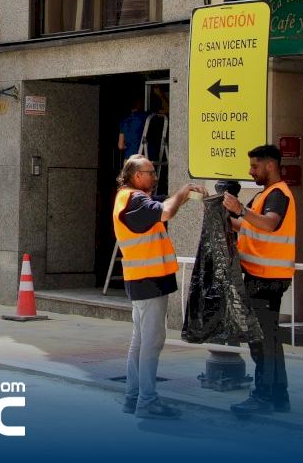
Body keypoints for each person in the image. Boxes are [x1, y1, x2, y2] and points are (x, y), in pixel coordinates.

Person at [113, 155, 205, 419]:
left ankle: (133, 397)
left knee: (141, 341)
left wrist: (184, 196)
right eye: (150, 172)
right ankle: (147, 401)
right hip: (148, 279)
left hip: (142, 279)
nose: (154, 176)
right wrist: (183, 192)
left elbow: (163, 205)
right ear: (136, 176)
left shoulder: (129, 198)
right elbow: (166, 211)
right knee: (151, 343)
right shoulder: (135, 200)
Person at [223, 144, 296, 415]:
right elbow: (247, 225)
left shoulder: (277, 194)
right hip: (263, 275)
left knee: (262, 342)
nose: (250, 171)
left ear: (270, 165)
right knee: (269, 340)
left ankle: (264, 396)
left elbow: (269, 223)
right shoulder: (264, 195)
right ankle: (278, 396)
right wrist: (223, 216)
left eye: (255, 166)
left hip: (266, 278)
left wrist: (240, 209)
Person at [117, 97, 150, 161]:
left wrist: (130, 145)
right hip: (142, 158)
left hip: (128, 158)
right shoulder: (145, 116)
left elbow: (120, 146)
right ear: (138, 104)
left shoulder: (124, 121)